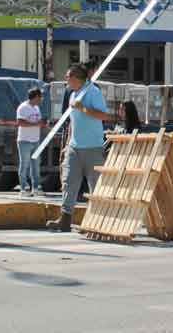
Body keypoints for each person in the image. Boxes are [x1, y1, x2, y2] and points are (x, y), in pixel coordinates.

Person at [47, 65, 112, 232]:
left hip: (93, 147)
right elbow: (72, 123)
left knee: (95, 185)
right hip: (74, 147)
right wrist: (67, 144)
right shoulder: (73, 94)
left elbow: (103, 115)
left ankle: (97, 221)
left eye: (68, 77)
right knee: (69, 182)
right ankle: (65, 219)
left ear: (76, 78)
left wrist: (83, 108)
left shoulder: (93, 92)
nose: (66, 80)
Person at [16, 88, 44, 197]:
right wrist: (36, 124)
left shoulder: (37, 108)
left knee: (36, 166)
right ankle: (23, 188)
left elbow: (38, 121)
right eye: (40, 97)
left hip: (35, 140)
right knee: (24, 165)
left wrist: (42, 123)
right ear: (36, 97)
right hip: (24, 140)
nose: (41, 99)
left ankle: (35, 188)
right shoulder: (23, 107)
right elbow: (20, 122)